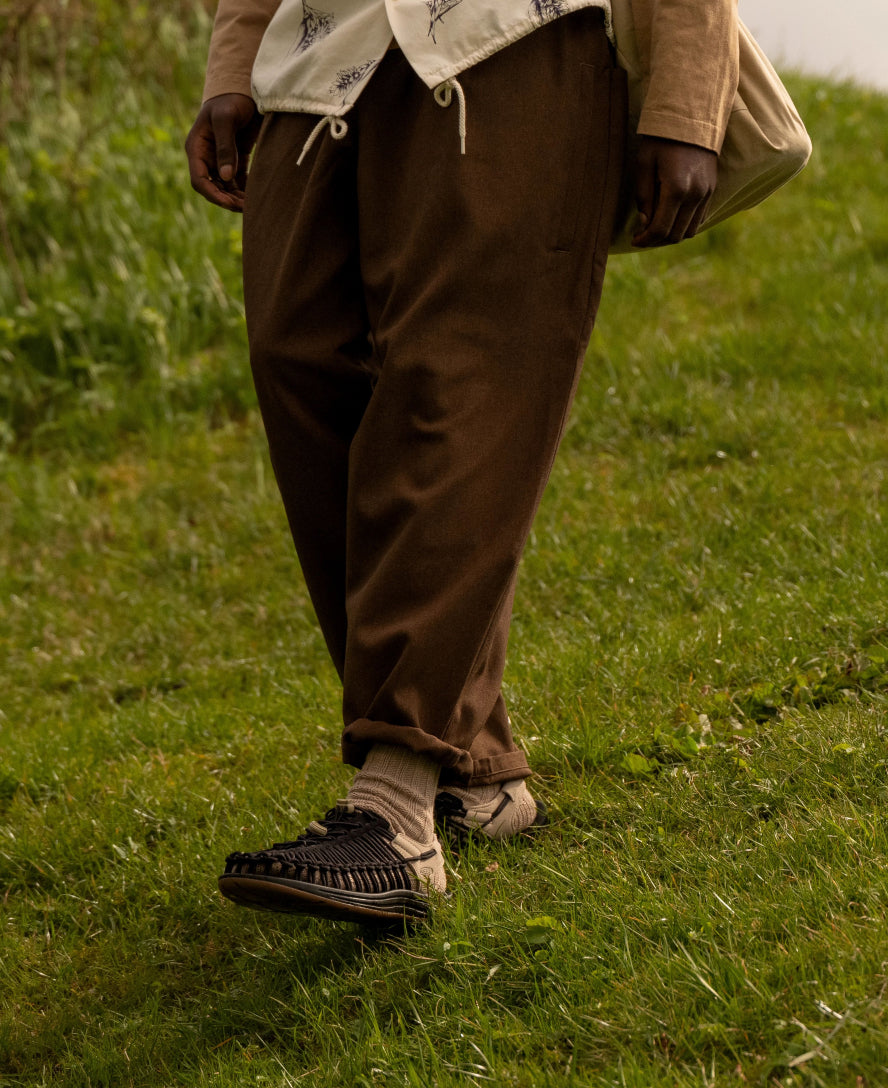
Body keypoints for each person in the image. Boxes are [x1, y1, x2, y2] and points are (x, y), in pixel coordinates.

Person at [185, 0, 738, 924]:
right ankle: (476, 771)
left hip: (515, 37)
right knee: (300, 361)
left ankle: (397, 806)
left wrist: (686, 97)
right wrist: (235, 60)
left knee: (461, 387)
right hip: (319, 50)